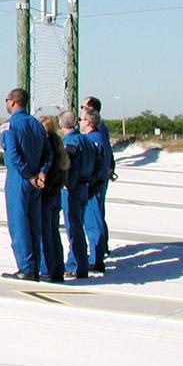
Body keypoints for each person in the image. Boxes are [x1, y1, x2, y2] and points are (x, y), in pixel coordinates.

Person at [0, 87, 51, 281]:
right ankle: (36, 266)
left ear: (13, 102)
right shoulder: (37, 124)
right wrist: (42, 172)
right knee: (34, 224)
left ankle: (26, 268)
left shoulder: (9, 126)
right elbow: (48, 153)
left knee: (19, 223)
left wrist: (29, 175)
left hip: (19, 178)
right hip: (36, 180)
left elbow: (13, 154)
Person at [59, 109, 94, 280]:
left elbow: (70, 167)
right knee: (78, 225)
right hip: (85, 186)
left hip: (73, 189)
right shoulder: (85, 140)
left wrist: (67, 185)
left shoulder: (71, 142)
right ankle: (79, 262)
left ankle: (76, 264)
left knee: (73, 228)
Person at [82, 96, 116, 266]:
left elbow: (102, 157)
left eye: (83, 107)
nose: (80, 110)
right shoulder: (101, 130)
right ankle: (100, 250)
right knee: (97, 215)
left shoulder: (97, 133)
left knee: (94, 217)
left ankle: (96, 257)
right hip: (98, 179)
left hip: (94, 182)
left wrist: (91, 181)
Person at [37, 115, 70, 283]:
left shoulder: (46, 145)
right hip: (56, 194)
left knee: (44, 234)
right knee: (54, 232)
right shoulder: (59, 144)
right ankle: (57, 268)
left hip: (46, 194)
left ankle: (46, 269)